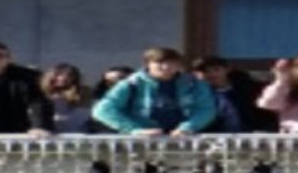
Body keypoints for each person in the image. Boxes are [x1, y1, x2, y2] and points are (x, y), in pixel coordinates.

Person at [94, 47, 238, 136]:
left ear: (179, 65)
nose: (165, 67)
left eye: (171, 63)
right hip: (143, 141)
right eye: (159, 63)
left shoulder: (195, 84)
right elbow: (102, 110)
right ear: (148, 64)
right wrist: (134, 130)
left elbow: (205, 109)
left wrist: (188, 127)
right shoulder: (131, 84)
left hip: (183, 140)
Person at [43, 63, 95, 134]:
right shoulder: (41, 92)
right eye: (59, 75)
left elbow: (87, 113)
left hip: (77, 132)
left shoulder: (83, 92)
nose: (62, 78)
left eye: (69, 76)